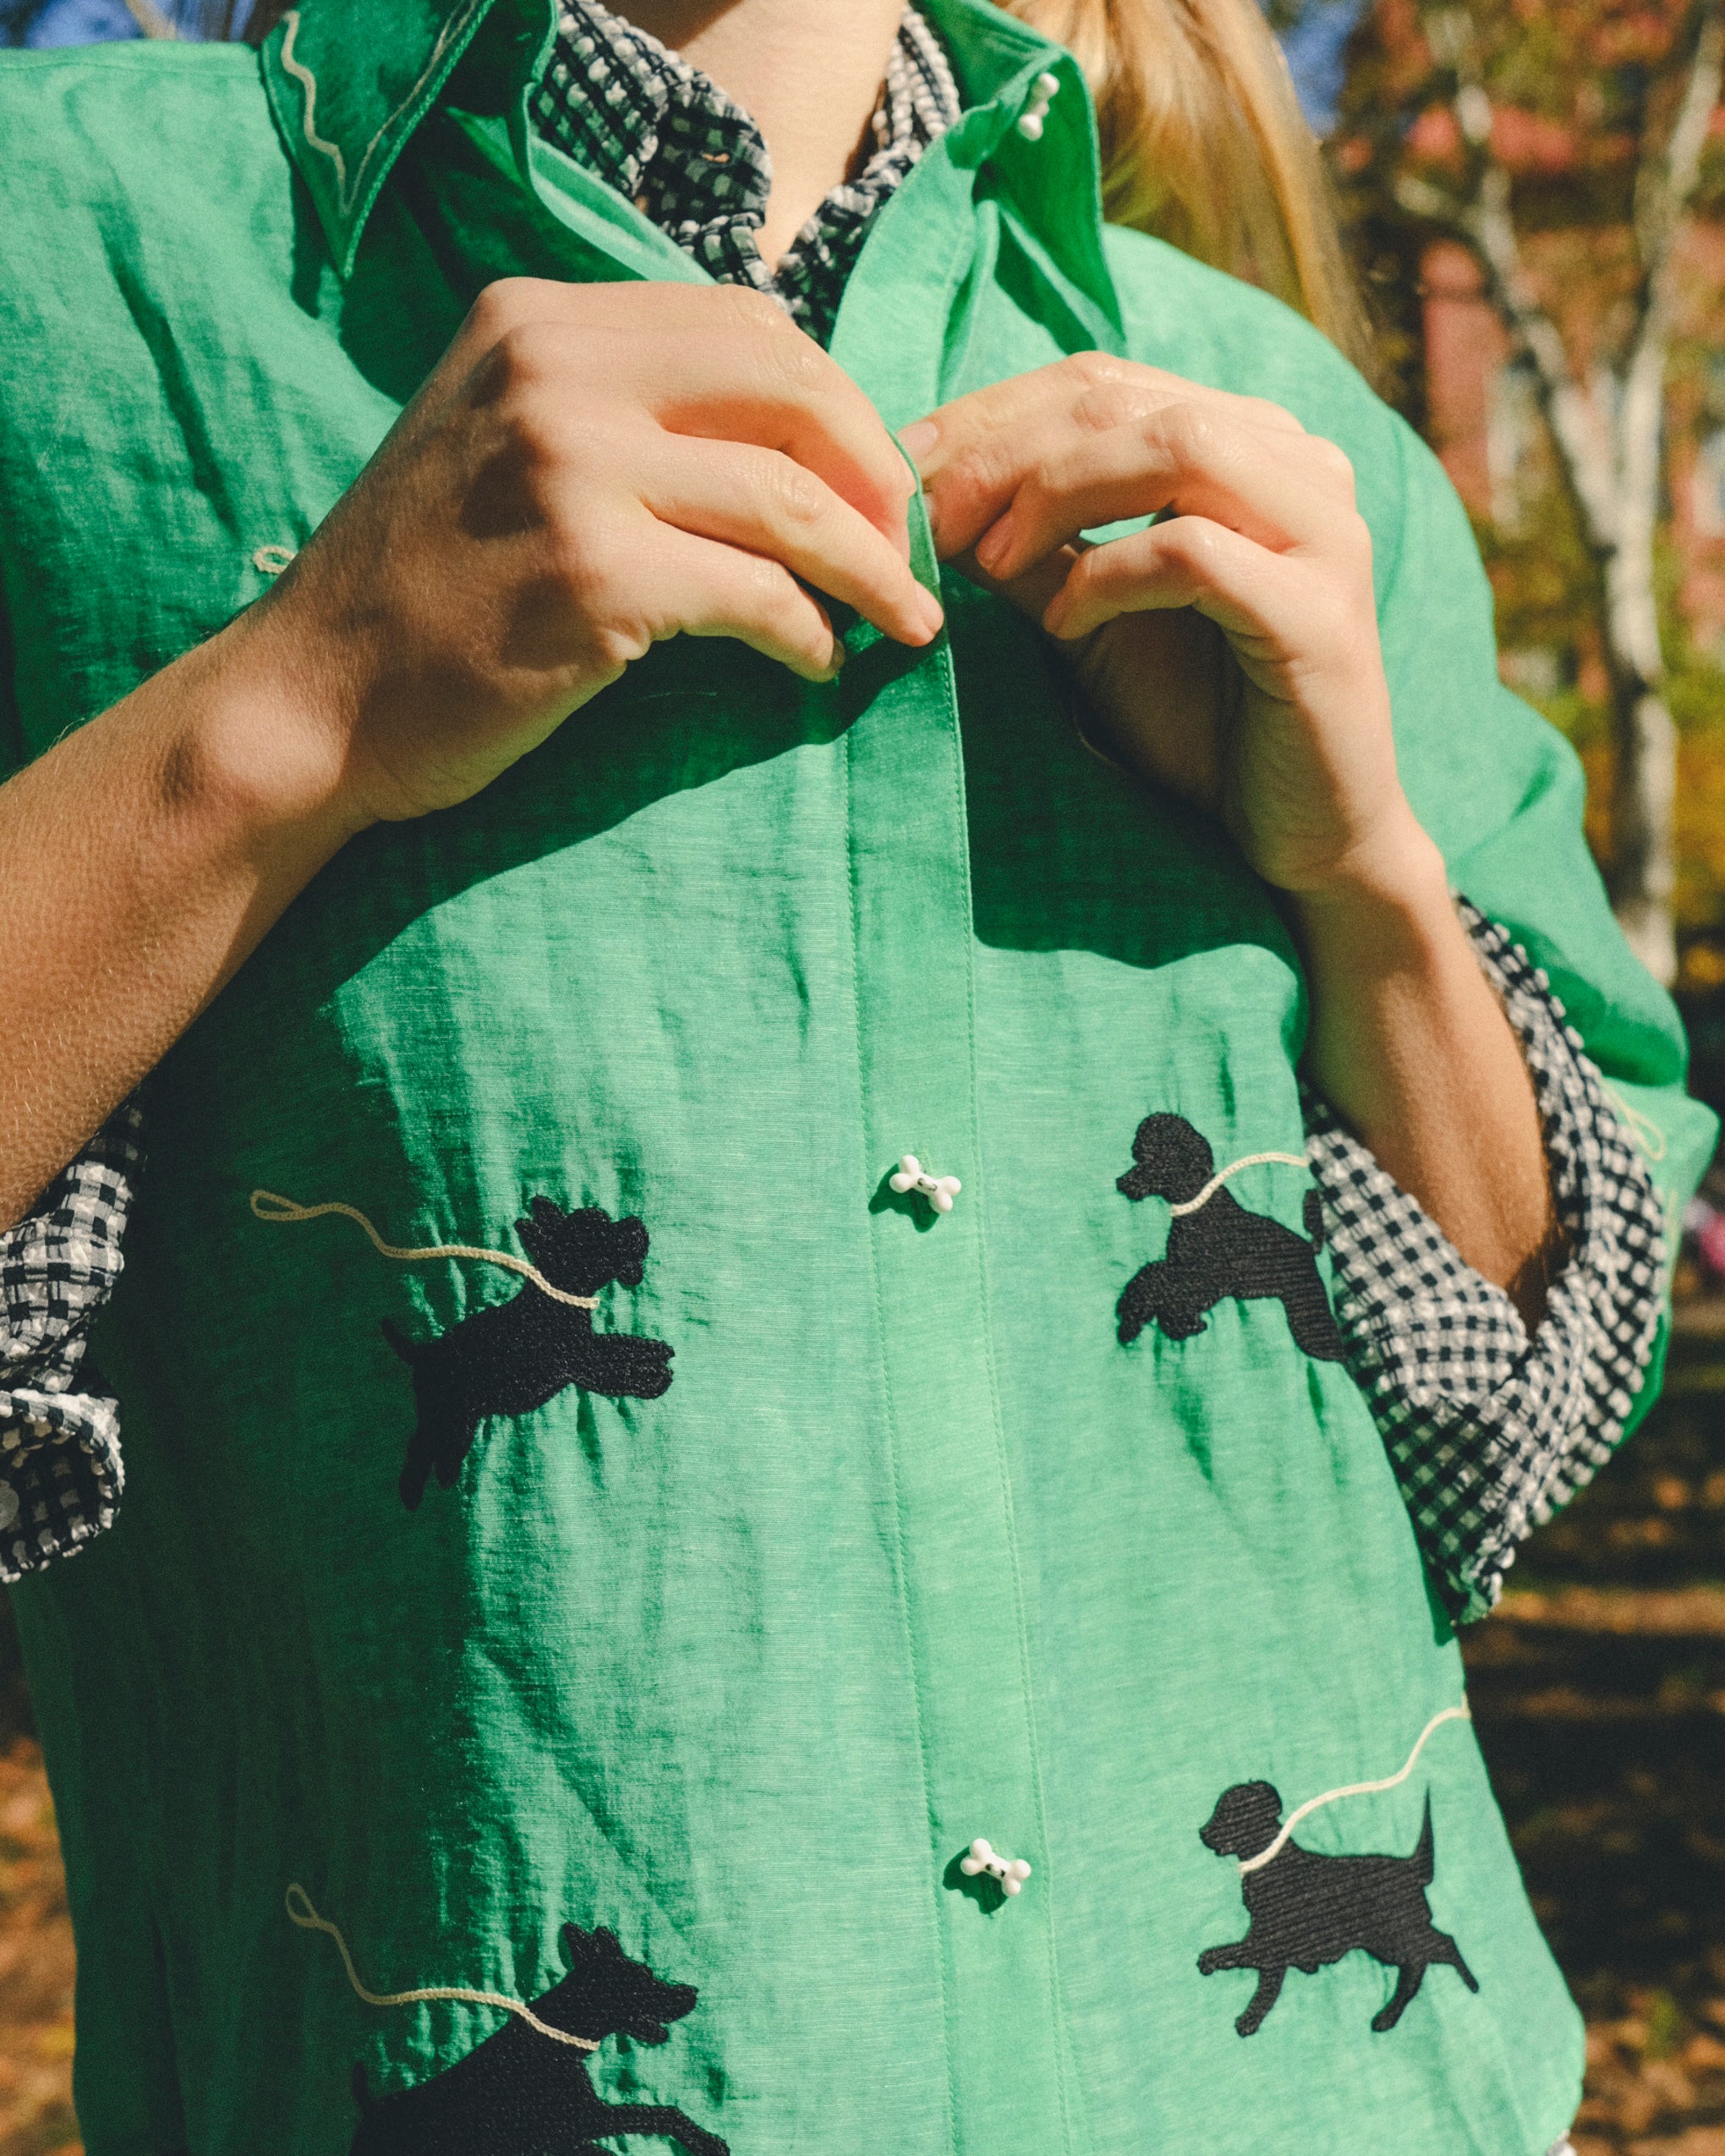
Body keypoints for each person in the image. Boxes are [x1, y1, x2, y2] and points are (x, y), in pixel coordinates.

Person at [0, 0, 1711, 2148]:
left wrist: (1361, 880)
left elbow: (1522, 1423)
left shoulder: (1287, 428)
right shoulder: (56, 262)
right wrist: (294, 703)